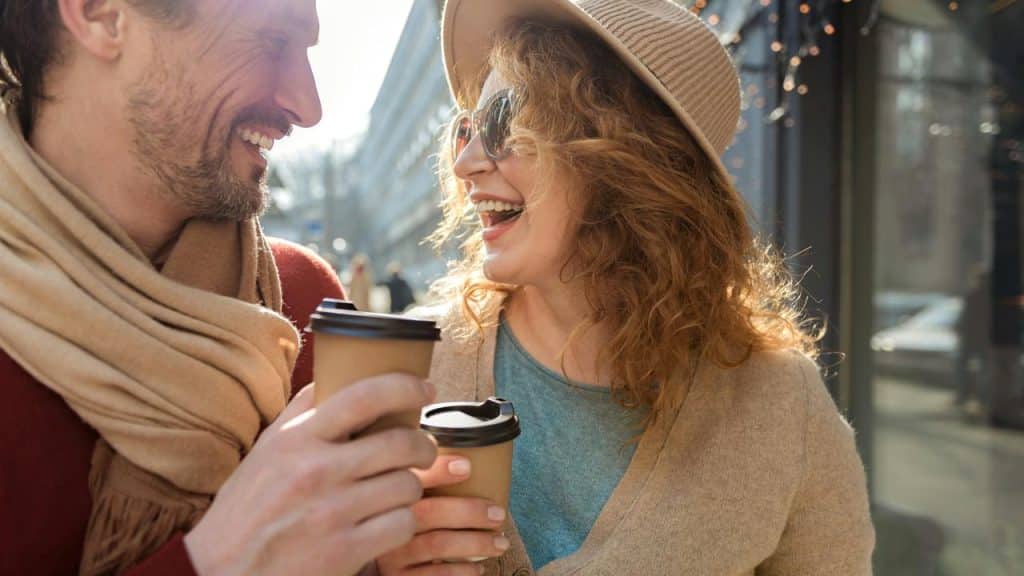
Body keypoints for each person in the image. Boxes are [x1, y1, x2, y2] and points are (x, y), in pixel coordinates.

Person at [380, 0, 876, 573]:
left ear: (626, 156)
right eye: (465, 129)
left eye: (503, 124)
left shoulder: (782, 407)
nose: (465, 163)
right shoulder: (409, 369)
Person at [0, 1, 480, 574]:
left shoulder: (305, 302)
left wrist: (385, 562)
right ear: (102, 15)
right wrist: (218, 561)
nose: (308, 108)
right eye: (273, 41)